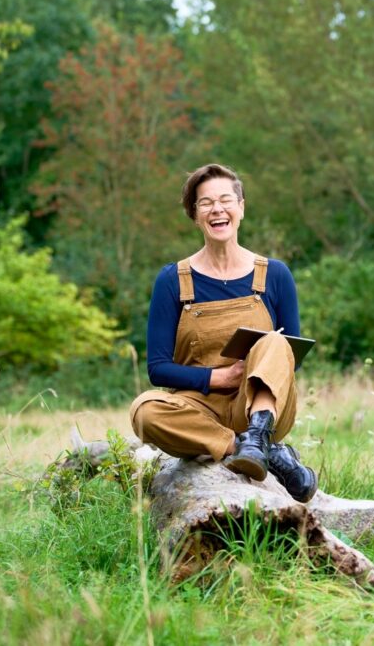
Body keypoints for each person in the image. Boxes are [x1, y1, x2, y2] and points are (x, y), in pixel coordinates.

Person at [129, 163, 317, 502]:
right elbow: (157, 369)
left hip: (260, 403)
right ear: (195, 215)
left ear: (241, 207)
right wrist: (219, 378)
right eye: (206, 203)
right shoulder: (173, 280)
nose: (217, 209)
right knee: (143, 411)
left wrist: (253, 370)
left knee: (275, 341)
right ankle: (253, 450)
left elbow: (293, 359)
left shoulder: (275, 275)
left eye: (226, 200)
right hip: (197, 409)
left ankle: (259, 435)